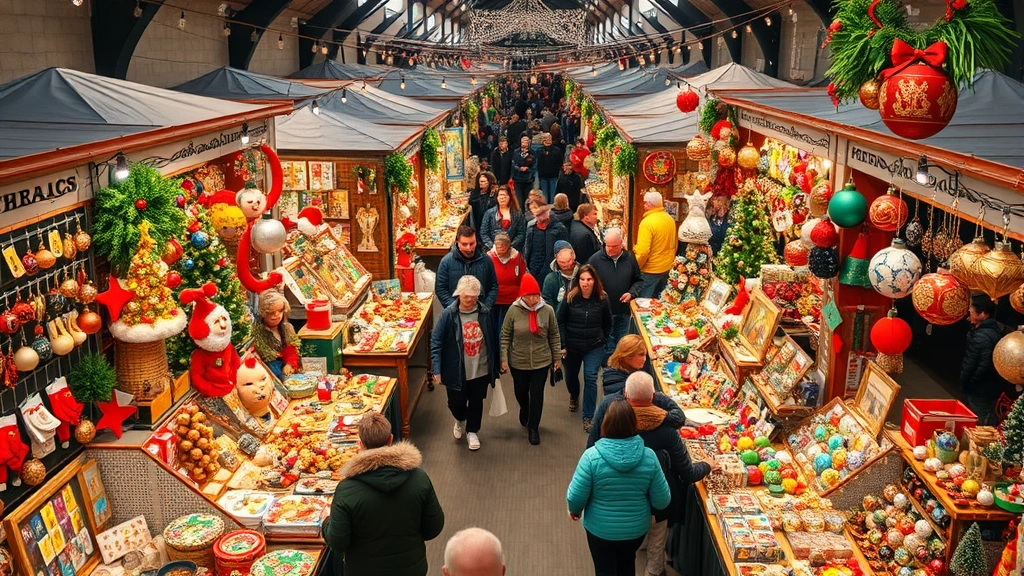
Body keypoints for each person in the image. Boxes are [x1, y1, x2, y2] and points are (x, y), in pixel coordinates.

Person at [322, 412, 444, 576]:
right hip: (411, 570)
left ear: (360, 444)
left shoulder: (346, 490)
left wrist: (326, 523)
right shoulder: (419, 479)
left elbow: (338, 542)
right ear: (391, 439)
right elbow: (433, 528)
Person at [621, 373, 716, 576]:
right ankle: (653, 571)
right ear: (654, 396)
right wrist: (707, 464)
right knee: (657, 541)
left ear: (626, 396)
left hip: (627, 496)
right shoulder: (666, 430)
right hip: (658, 500)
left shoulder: (618, 422)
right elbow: (688, 473)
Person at [566, 398, 671, 576]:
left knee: (604, 568)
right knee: (627, 563)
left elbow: (575, 496)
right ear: (634, 423)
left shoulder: (591, 457)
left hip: (599, 529)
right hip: (636, 529)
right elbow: (662, 500)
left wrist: (575, 511)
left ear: (605, 423)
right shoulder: (649, 457)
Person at [431, 276, 499, 451]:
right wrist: (436, 369)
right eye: (466, 295)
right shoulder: (448, 314)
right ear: (459, 294)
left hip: (480, 368)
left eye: (474, 295)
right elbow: (436, 341)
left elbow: (492, 340)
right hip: (456, 370)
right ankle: (460, 419)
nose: (470, 299)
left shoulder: (484, 313)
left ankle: (472, 431)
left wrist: (496, 364)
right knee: (456, 403)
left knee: (477, 401)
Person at [587, 342, 686, 448]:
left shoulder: (608, 400)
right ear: (627, 356)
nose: (645, 359)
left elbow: (594, 438)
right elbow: (679, 418)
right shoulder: (665, 434)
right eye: (641, 355)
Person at [501, 273, 561, 445]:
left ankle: (533, 428)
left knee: (537, 394)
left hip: (542, 361)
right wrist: (503, 358)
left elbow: (554, 334)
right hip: (518, 360)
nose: (533, 300)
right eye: (529, 296)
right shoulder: (513, 310)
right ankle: (524, 408)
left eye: (536, 295)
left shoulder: (547, 310)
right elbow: (505, 335)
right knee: (520, 391)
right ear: (522, 295)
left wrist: (557, 358)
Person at [557, 264, 612, 429]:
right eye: (582, 279)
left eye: (589, 279)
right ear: (577, 281)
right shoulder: (570, 298)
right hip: (572, 345)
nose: (585, 283)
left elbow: (608, 322)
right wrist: (563, 344)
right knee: (571, 377)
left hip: (594, 346)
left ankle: (589, 417)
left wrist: (603, 339)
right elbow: (560, 320)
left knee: (590, 377)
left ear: (594, 281)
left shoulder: (602, 299)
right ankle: (574, 395)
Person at [588, 228, 643, 361]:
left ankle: (620, 368)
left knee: (622, 343)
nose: (610, 249)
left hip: (623, 311)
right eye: (607, 245)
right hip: (604, 312)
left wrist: (631, 293)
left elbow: (638, 280)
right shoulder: (595, 260)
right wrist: (597, 291)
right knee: (608, 345)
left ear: (621, 244)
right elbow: (585, 282)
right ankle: (608, 370)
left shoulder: (630, 259)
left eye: (614, 246)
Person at [960, 294, 1008, 425]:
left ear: (983, 314)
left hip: (979, 389)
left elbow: (976, 365)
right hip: (989, 388)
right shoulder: (994, 330)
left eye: (971, 309)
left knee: (976, 421)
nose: (969, 311)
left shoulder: (981, 337)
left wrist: (966, 383)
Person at [435, 226, 498, 310]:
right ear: (457, 242)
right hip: (455, 315)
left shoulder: (486, 260)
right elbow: (440, 289)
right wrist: (453, 308)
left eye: (472, 244)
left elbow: (493, 286)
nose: (469, 248)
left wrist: (486, 307)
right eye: (464, 244)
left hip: (481, 313)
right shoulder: (446, 262)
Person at [634, 191, 678, 298]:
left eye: (645, 203)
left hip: (650, 269)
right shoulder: (670, 219)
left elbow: (643, 252)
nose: (644, 205)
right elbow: (675, 243)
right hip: (666, 267)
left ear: (649, 204)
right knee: (661, 301)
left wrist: (636, 267)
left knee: (643, 304)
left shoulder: (647, 223)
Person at [487, 232, 525, 351]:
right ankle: (495, 352)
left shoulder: (517, 257)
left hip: (511, 298)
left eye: (502, 246)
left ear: (508, 246)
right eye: (497, 246)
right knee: (492, 328)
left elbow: (523, 276)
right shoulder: (489, 257)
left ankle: (507, 352)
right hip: (494, 298)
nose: (499, 249)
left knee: (507, 328)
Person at [253, 289, 301, 379]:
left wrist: (290, 363)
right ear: (263, 312)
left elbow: (294, 347)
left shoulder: (288, 328)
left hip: (291, 375)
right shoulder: (257, 333)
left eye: (280, 311)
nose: (277, 315)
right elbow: (266, 355)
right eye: (272, 312)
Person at [523, 204, 567, 287]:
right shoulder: (531, 228)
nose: (539, 218)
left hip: (551, 270)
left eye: (541, 215)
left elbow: (564, 249)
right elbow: (527, 250)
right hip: (534, 269)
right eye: (537, 215)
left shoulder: (559, 229)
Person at [480, 187, 526, 251]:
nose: (502, 198)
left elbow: (521, 233)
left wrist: (510, 246)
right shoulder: (489, 213)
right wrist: (493, 247)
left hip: (511, 249)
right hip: (493, 250)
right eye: (500, 195)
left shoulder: (517, 213)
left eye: (504, 196)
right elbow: (484, 232)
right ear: (497, 197)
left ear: (510, 197)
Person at [541, 240, 578, 309]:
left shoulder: (582, 273)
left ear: (574, 256)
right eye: (562, 263)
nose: (567, 265)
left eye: (569, 261)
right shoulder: (551, 279)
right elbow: (547, 302)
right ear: (556, 259)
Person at [511, 135, 536, 209]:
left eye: (526, 141)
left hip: (528, 180)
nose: (524, 143)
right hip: (517, 180)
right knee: (519, 202)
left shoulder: (533, 153)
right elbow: (512, 164)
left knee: (528, 201)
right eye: (522, 141)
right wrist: (519, 168)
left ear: (529, 142)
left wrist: (528, 169)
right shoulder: (516, 152)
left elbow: (535, 165)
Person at [537, 134, 563, 203]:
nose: (547, 140)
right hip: (543, 176)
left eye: (549, 138)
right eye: (545, 138)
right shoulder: (539, 150)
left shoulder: (557, 150)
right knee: (544, 195)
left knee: (553, 195)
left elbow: (560, 162)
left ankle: (552, 209)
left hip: (554, 175)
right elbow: (538, 161)